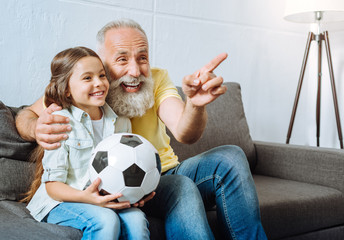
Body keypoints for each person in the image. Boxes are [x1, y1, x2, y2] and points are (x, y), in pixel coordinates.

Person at [16, 19, 267, 239]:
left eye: (142, 58)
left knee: (231, 157)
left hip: (163, 172)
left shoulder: (155, 79)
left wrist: (195, 104)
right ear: (101, 63)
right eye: (122, 59)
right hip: (118, 182)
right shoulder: (82, 85)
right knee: (181, 187)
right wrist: (37, 127)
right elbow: (25, 115)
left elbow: (184, 131)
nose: (135, 71)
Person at [24, 46, 150, 240]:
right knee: (106, 221)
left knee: (137, 220)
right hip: (60, 201)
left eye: (101, 75)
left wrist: (135, 193)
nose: (99, 83)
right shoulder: (60, 121)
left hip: (101, 198)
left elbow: (127, 171)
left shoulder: (122, 122)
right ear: (66, 90)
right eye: (87, 78)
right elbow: (52, 187)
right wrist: (88, 198)